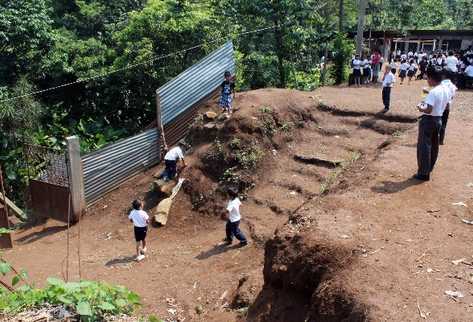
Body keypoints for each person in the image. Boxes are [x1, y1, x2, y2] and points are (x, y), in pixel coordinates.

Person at [414, 66, 449, 181]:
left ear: (431, 78)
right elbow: (447, 105)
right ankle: (429, 168)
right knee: (434, 146)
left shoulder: (433, 92)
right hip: (438, 119)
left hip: (429, 120)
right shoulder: (445, 89)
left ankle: (423, 173)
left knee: (424, 146)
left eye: (427, 78)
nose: (427, 80)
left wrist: (420, 107)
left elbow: (428, 109)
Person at [439, 71, 457, 145]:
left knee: (436, 121)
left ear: (444, 76)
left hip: (440, 105)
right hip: (447, 107)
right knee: (444, 123)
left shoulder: (441, 84)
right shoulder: (453, 86)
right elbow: (452, 97)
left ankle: (434, 138)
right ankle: (441, 140)